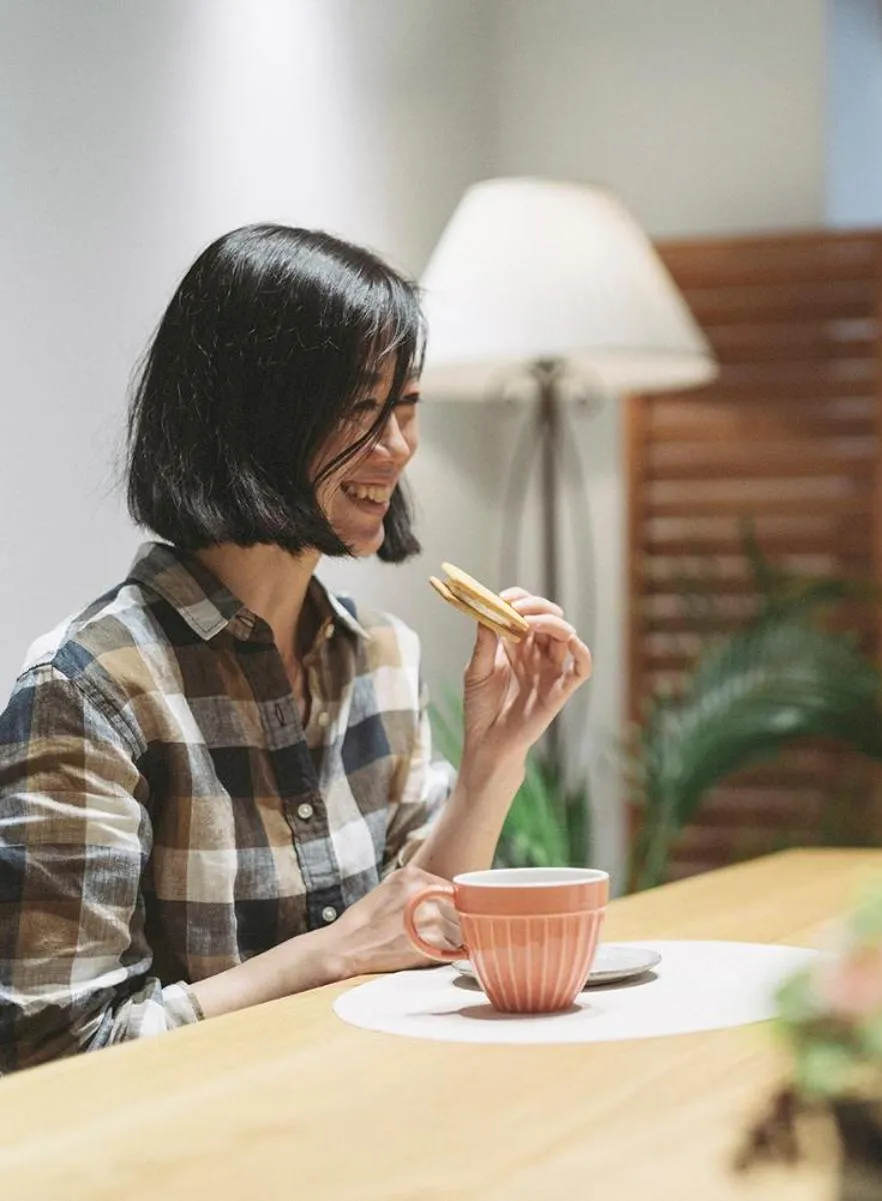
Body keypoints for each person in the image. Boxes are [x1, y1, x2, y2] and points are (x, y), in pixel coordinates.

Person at [0, 224, 592, 1071]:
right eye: (361, 407)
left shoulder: (381, 656)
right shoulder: (91, 687)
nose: (396, 446)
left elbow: (422, 933)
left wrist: (497, 760)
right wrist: (330, 954)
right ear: (255, 413)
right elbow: (50, 1052)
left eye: (407, 405)